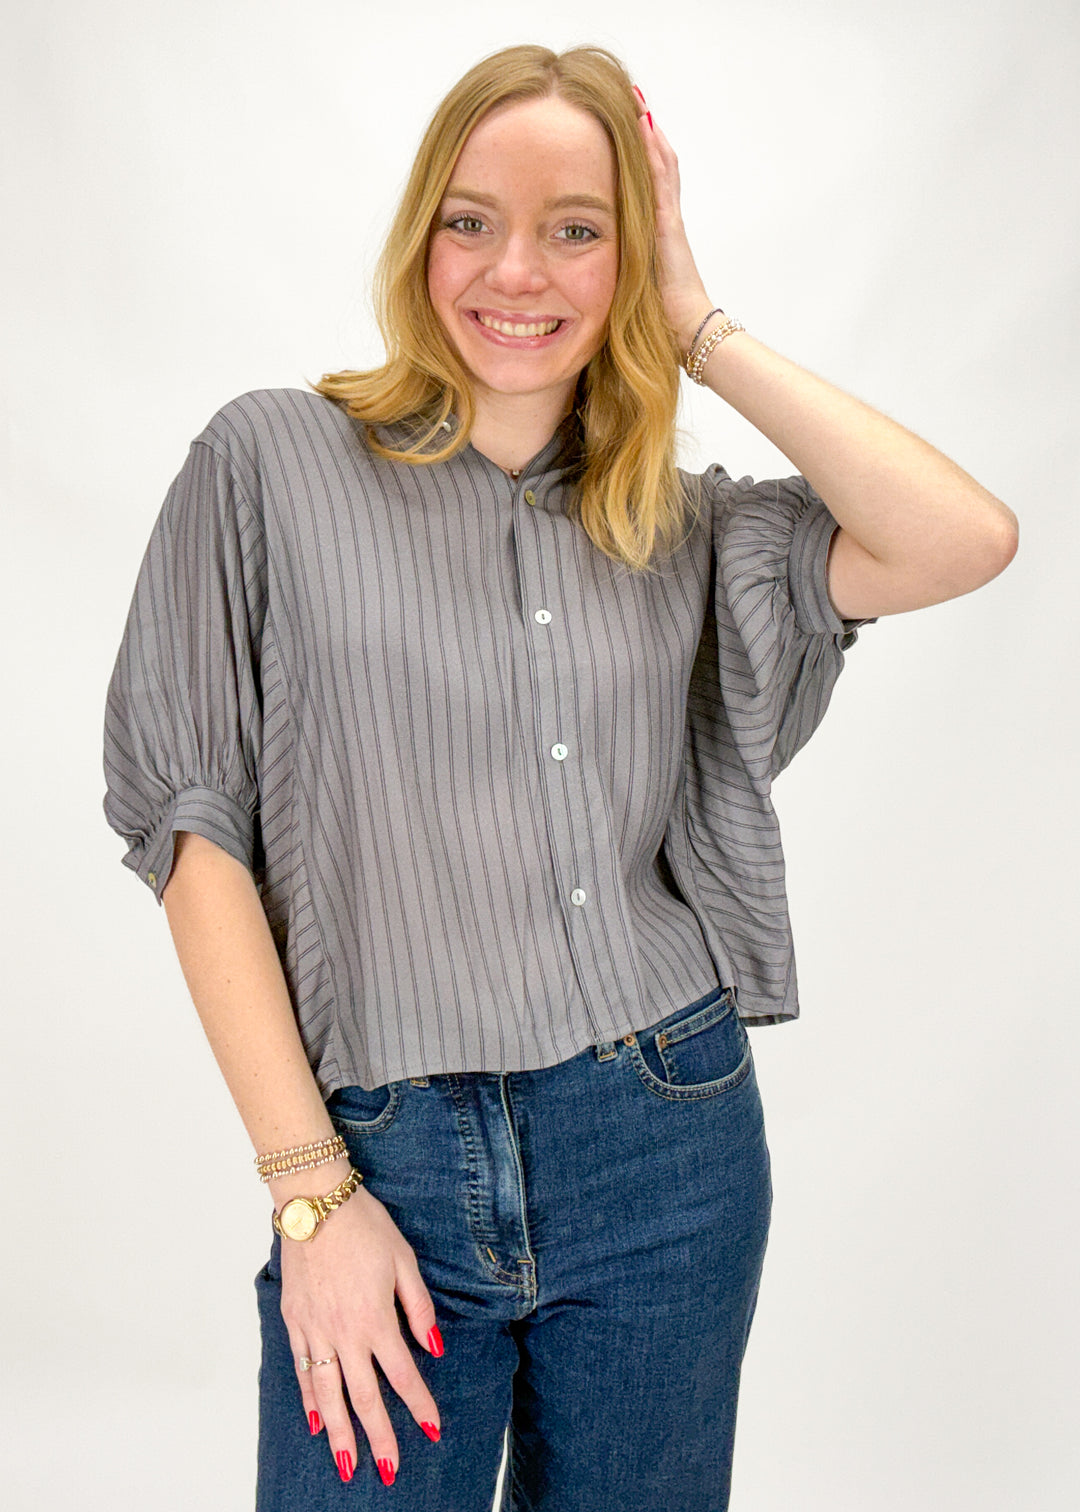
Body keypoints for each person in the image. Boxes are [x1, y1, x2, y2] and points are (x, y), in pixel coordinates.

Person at [101, 41, 1018, 1512]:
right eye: (472, 218)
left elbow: (962, 538)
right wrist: (312, 1195)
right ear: (420, 235)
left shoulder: (691, 527)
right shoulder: (267, 463)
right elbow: (192, 837)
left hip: (665, 1145)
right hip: (377, 1157)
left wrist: (696, 317)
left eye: (575, 227)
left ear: (628, 254)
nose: (512, 269)